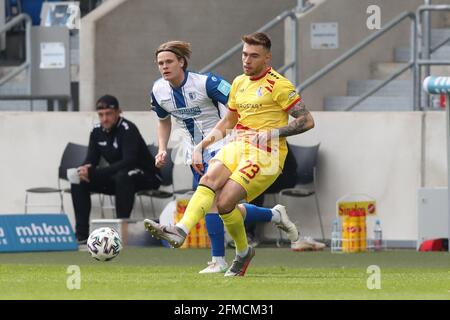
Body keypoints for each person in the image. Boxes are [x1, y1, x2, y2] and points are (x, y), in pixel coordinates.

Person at [145, 32, 315, 276]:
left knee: (225, 203)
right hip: (238, 145)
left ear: (267, 58)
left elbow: (307, 121)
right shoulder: (239, 83)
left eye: (254, 56)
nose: (247, 60)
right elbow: (229, 120)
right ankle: (180, 230)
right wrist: (201, 146)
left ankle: (243, 251)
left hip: (267, 154)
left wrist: (273, 133)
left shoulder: (279, 85)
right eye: (244, 54)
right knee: (208, 183)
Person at [71, 94, 162, 244]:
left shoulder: (128, 129)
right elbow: (91, 159)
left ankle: (120, 235)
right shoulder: (96, 131)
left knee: (123, 176)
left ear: (118, 112)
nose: (104, 119)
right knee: (79, 181)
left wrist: (96, 172)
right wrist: (85, 168)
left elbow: (129, 161)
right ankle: (81, 236)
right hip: (119, 176)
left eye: (108, 114)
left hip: (147, 176)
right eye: (101, 115)